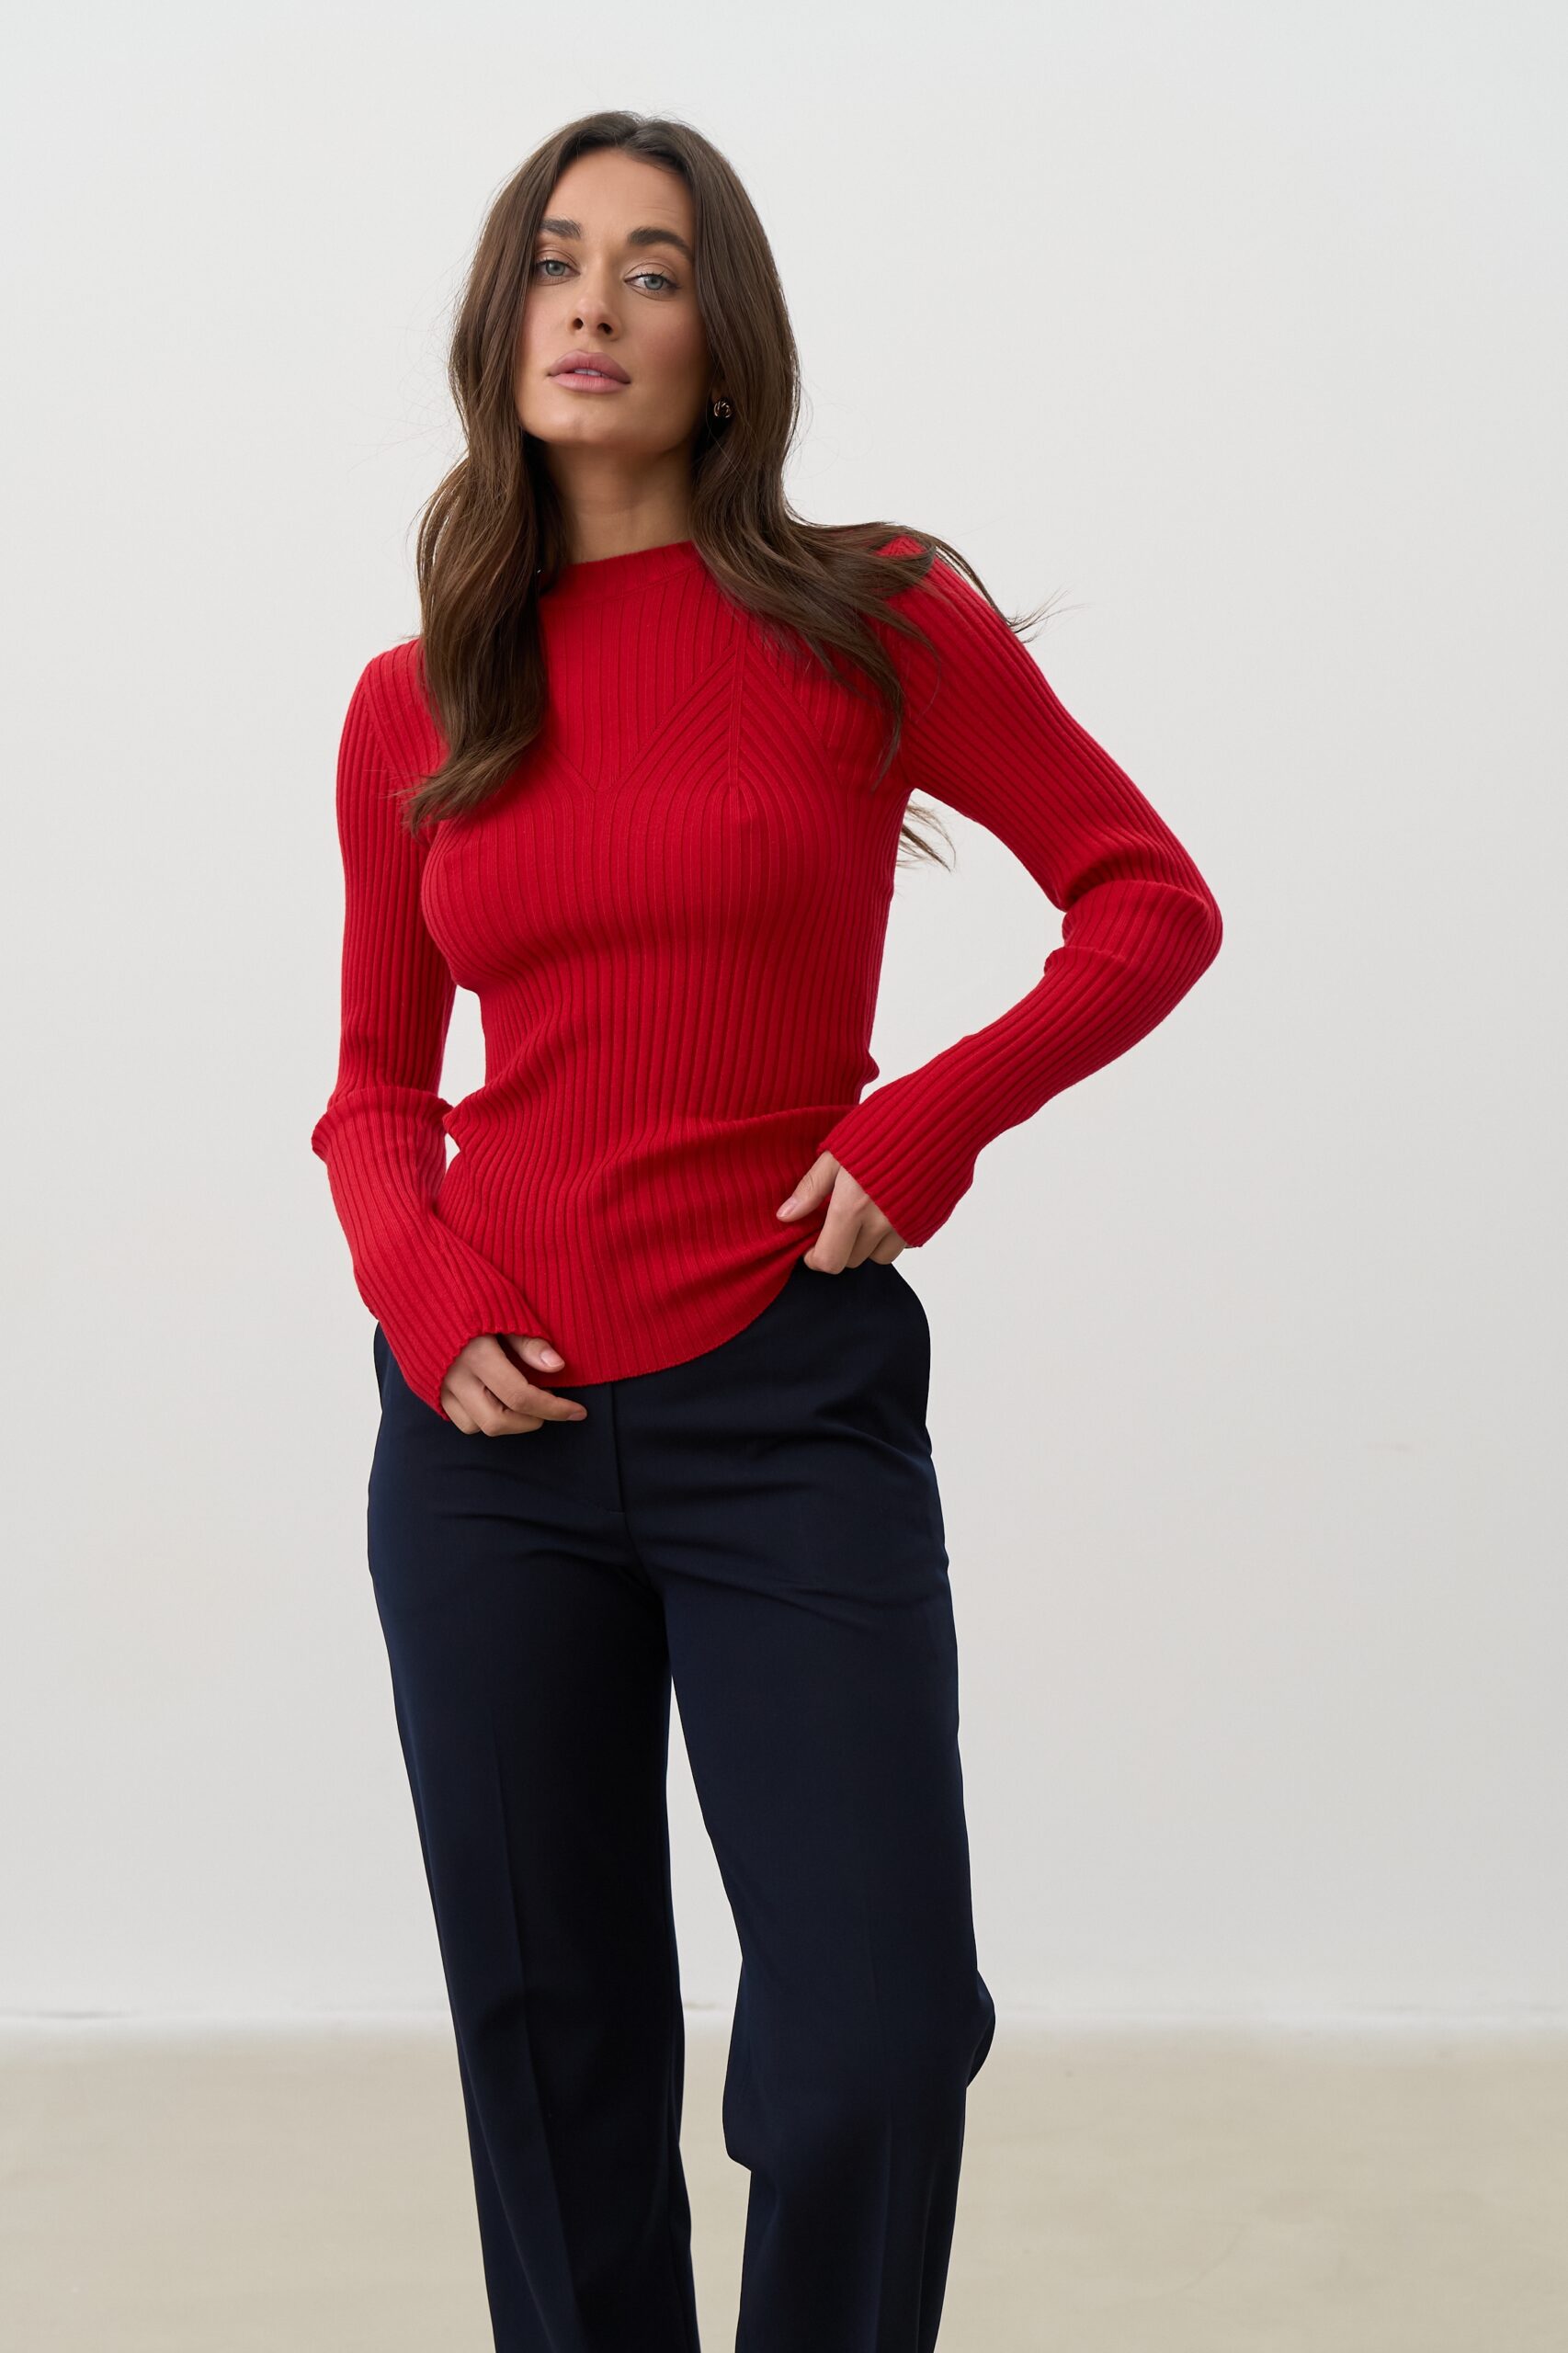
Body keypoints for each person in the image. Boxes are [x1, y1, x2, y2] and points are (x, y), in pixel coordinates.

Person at [310, 109, 1222, 2353]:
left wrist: (924, 1124)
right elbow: (375, 1087)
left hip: (781, 1399)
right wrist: (419, 1281)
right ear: (500, 322)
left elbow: (1145, 903)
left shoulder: (868, 613)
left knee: (879, 2037)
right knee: (553, 2051)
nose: (595, 305)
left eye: (653, 268)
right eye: (556, 262)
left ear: (726, 344)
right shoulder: (421, 695)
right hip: (485, 1439)